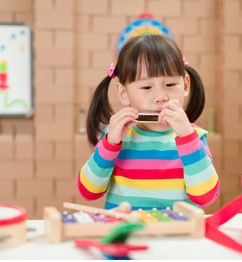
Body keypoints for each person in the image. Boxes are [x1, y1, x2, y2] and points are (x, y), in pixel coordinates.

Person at [77, 34, 219, 210]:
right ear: (123, 93)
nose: (161, 97)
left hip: (177, 235)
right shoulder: (115, 137)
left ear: (186, 85)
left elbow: (205, 197)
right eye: (146, 87)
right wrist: (109, 145)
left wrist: (187, 138)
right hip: (126, 234)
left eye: (170, 84)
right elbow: (88, 191)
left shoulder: (194, 138)